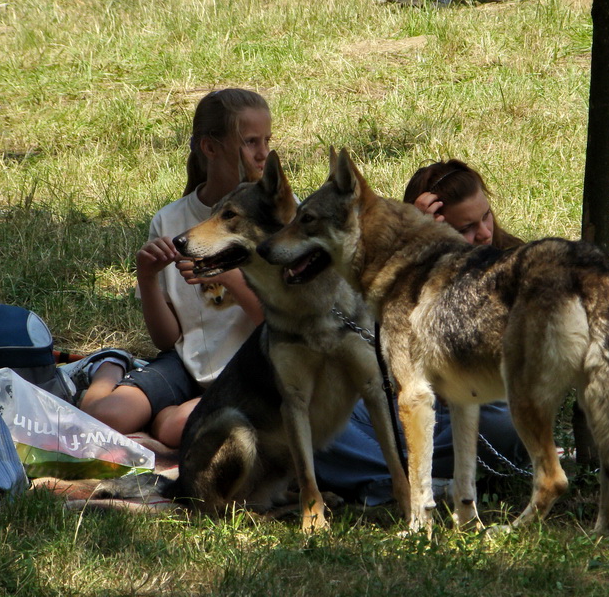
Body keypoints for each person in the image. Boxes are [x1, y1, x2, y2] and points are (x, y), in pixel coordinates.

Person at [314, 159, 528, 506]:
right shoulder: (388, 272)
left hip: (470, 408)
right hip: (399, 410)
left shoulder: (512, 263)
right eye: (468, 228)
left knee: (503, 422)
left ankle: (390, 480)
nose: (485, 233)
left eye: (485, 216)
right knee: (319, 424)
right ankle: (410, 482)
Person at [75, 88, 271, 448]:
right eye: (250, 142)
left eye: (267, 141)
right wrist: (147, 278)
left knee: (178, 428)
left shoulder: (275, 216)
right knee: (103, 418)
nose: (263, 154)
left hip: (250, 365)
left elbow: (279, 324)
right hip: (184, 364)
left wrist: (227, 273)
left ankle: (162, 425)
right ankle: (107, 365)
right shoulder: (170, 221)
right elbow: (166, 339)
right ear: (210, 148)